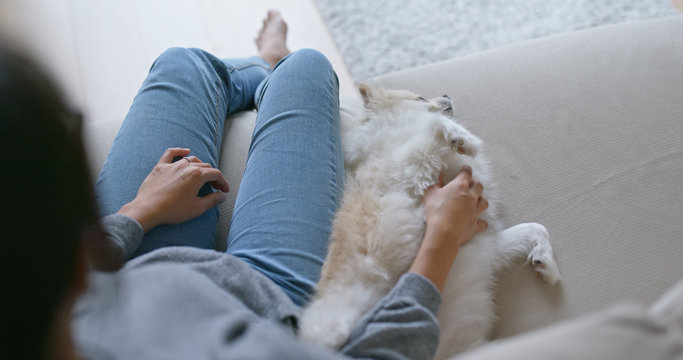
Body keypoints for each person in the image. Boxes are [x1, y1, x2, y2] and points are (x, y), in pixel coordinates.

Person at [2, 10, 681, 360]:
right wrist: (438, 244)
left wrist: (134, 217)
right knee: (306, 73)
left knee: (182, 63)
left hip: (136, 253)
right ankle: (270, 73)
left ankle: (252, 72)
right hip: (261, 293)